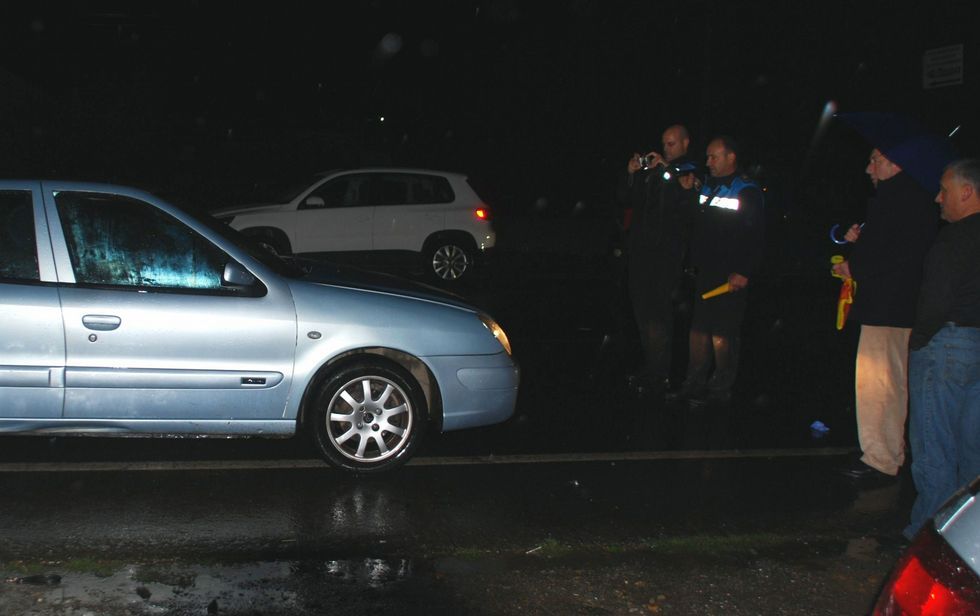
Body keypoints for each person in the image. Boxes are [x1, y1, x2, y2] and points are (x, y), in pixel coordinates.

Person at [833, 148, 939, 482]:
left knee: (878, 384)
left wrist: (853, 264)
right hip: (897, 306)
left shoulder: (897, 198)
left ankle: (880, 458)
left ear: (895, 163)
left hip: (888, 308)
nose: (869, 168)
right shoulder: (912, 198)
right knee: (889, 384)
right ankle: (883, 449)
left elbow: (887, 255)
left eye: (875, 160)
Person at [904, 159, 980, 538]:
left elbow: (935, 298)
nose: (938, 198)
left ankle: (926, 540)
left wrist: (919, 341)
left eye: (945, 190)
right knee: (973, 453)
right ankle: (964, 540)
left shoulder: (955, 238)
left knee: (935, 448)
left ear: (967, 192)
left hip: (948, 347)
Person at [670, 136, 764, 404]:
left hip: (730, 275)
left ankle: (720, 388)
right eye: (708, 157)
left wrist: (743, 271)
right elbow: (694, 221)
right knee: (698, 330)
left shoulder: (746, 190)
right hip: (705, 270)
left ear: (730, 157)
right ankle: (694, 383)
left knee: (724, 333)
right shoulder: (707, 185)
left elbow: (755, 235)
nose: (708, 162)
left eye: (714, 157)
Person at [618, 124, 700, 397]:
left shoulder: (687, 171)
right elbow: (629, 200)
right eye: (664, 143)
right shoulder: (653, 172)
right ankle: (651, 367)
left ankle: (660, 374)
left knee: (658, 316)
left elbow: (685, 210)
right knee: (642, 313)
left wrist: (667, 170)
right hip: (641, 254)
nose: (666, 149)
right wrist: (632, 174)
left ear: (685, 143)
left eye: (672, 144)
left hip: (665, 258)